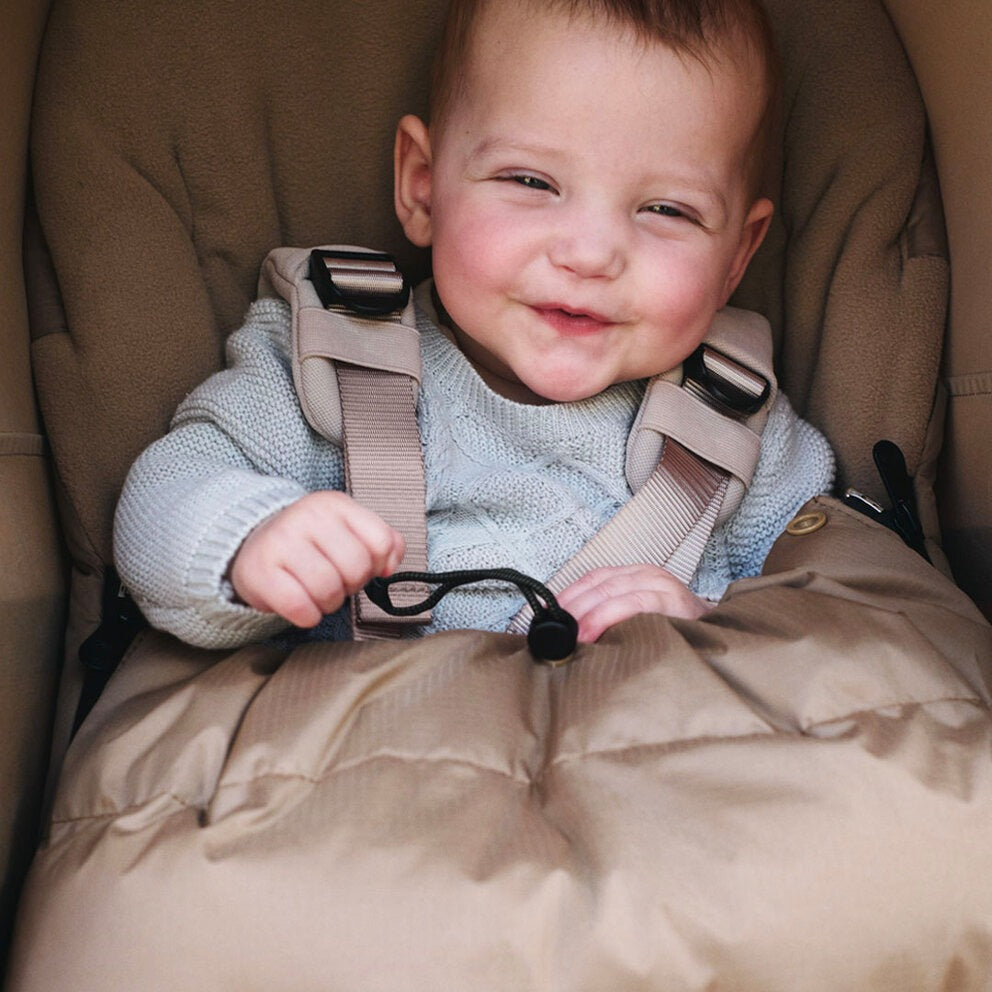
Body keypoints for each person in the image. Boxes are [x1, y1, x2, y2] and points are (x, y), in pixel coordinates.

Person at [113, 0, 834, 651]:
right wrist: (247, 543)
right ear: (422, 184)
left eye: (667, 210)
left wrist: (708, 622)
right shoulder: (332, 364)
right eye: (530, 182)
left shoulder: (738, 435)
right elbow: (159, 496)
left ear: (737, 255)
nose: (589, 254)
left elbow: (829, 611)